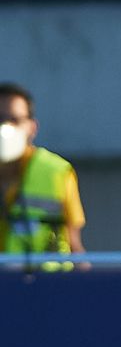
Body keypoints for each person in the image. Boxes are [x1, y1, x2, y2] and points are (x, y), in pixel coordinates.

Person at [1, 82, 86, 267]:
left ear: (32, 127)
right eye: (0, 119)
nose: (5, 128)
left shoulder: (57, 173)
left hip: (45, 282)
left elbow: (74, 245)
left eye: (15, 120)